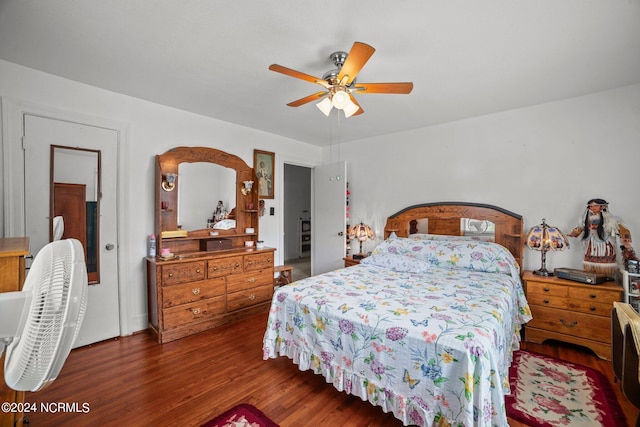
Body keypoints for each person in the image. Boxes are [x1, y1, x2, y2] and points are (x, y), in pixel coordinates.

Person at [568, 198, 634, 276]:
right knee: (590, 266)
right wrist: (574, 233)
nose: (593, 208)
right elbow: (580, 228)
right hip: (591, 244)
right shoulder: (586, 219)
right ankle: (591, 278)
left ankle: (606, 278)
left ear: (603, 207)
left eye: (595, 206)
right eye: (591, 206)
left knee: (606, 269)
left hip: (605, 245)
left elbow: (621, 228)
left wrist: (625, 237)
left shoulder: (610, 219)